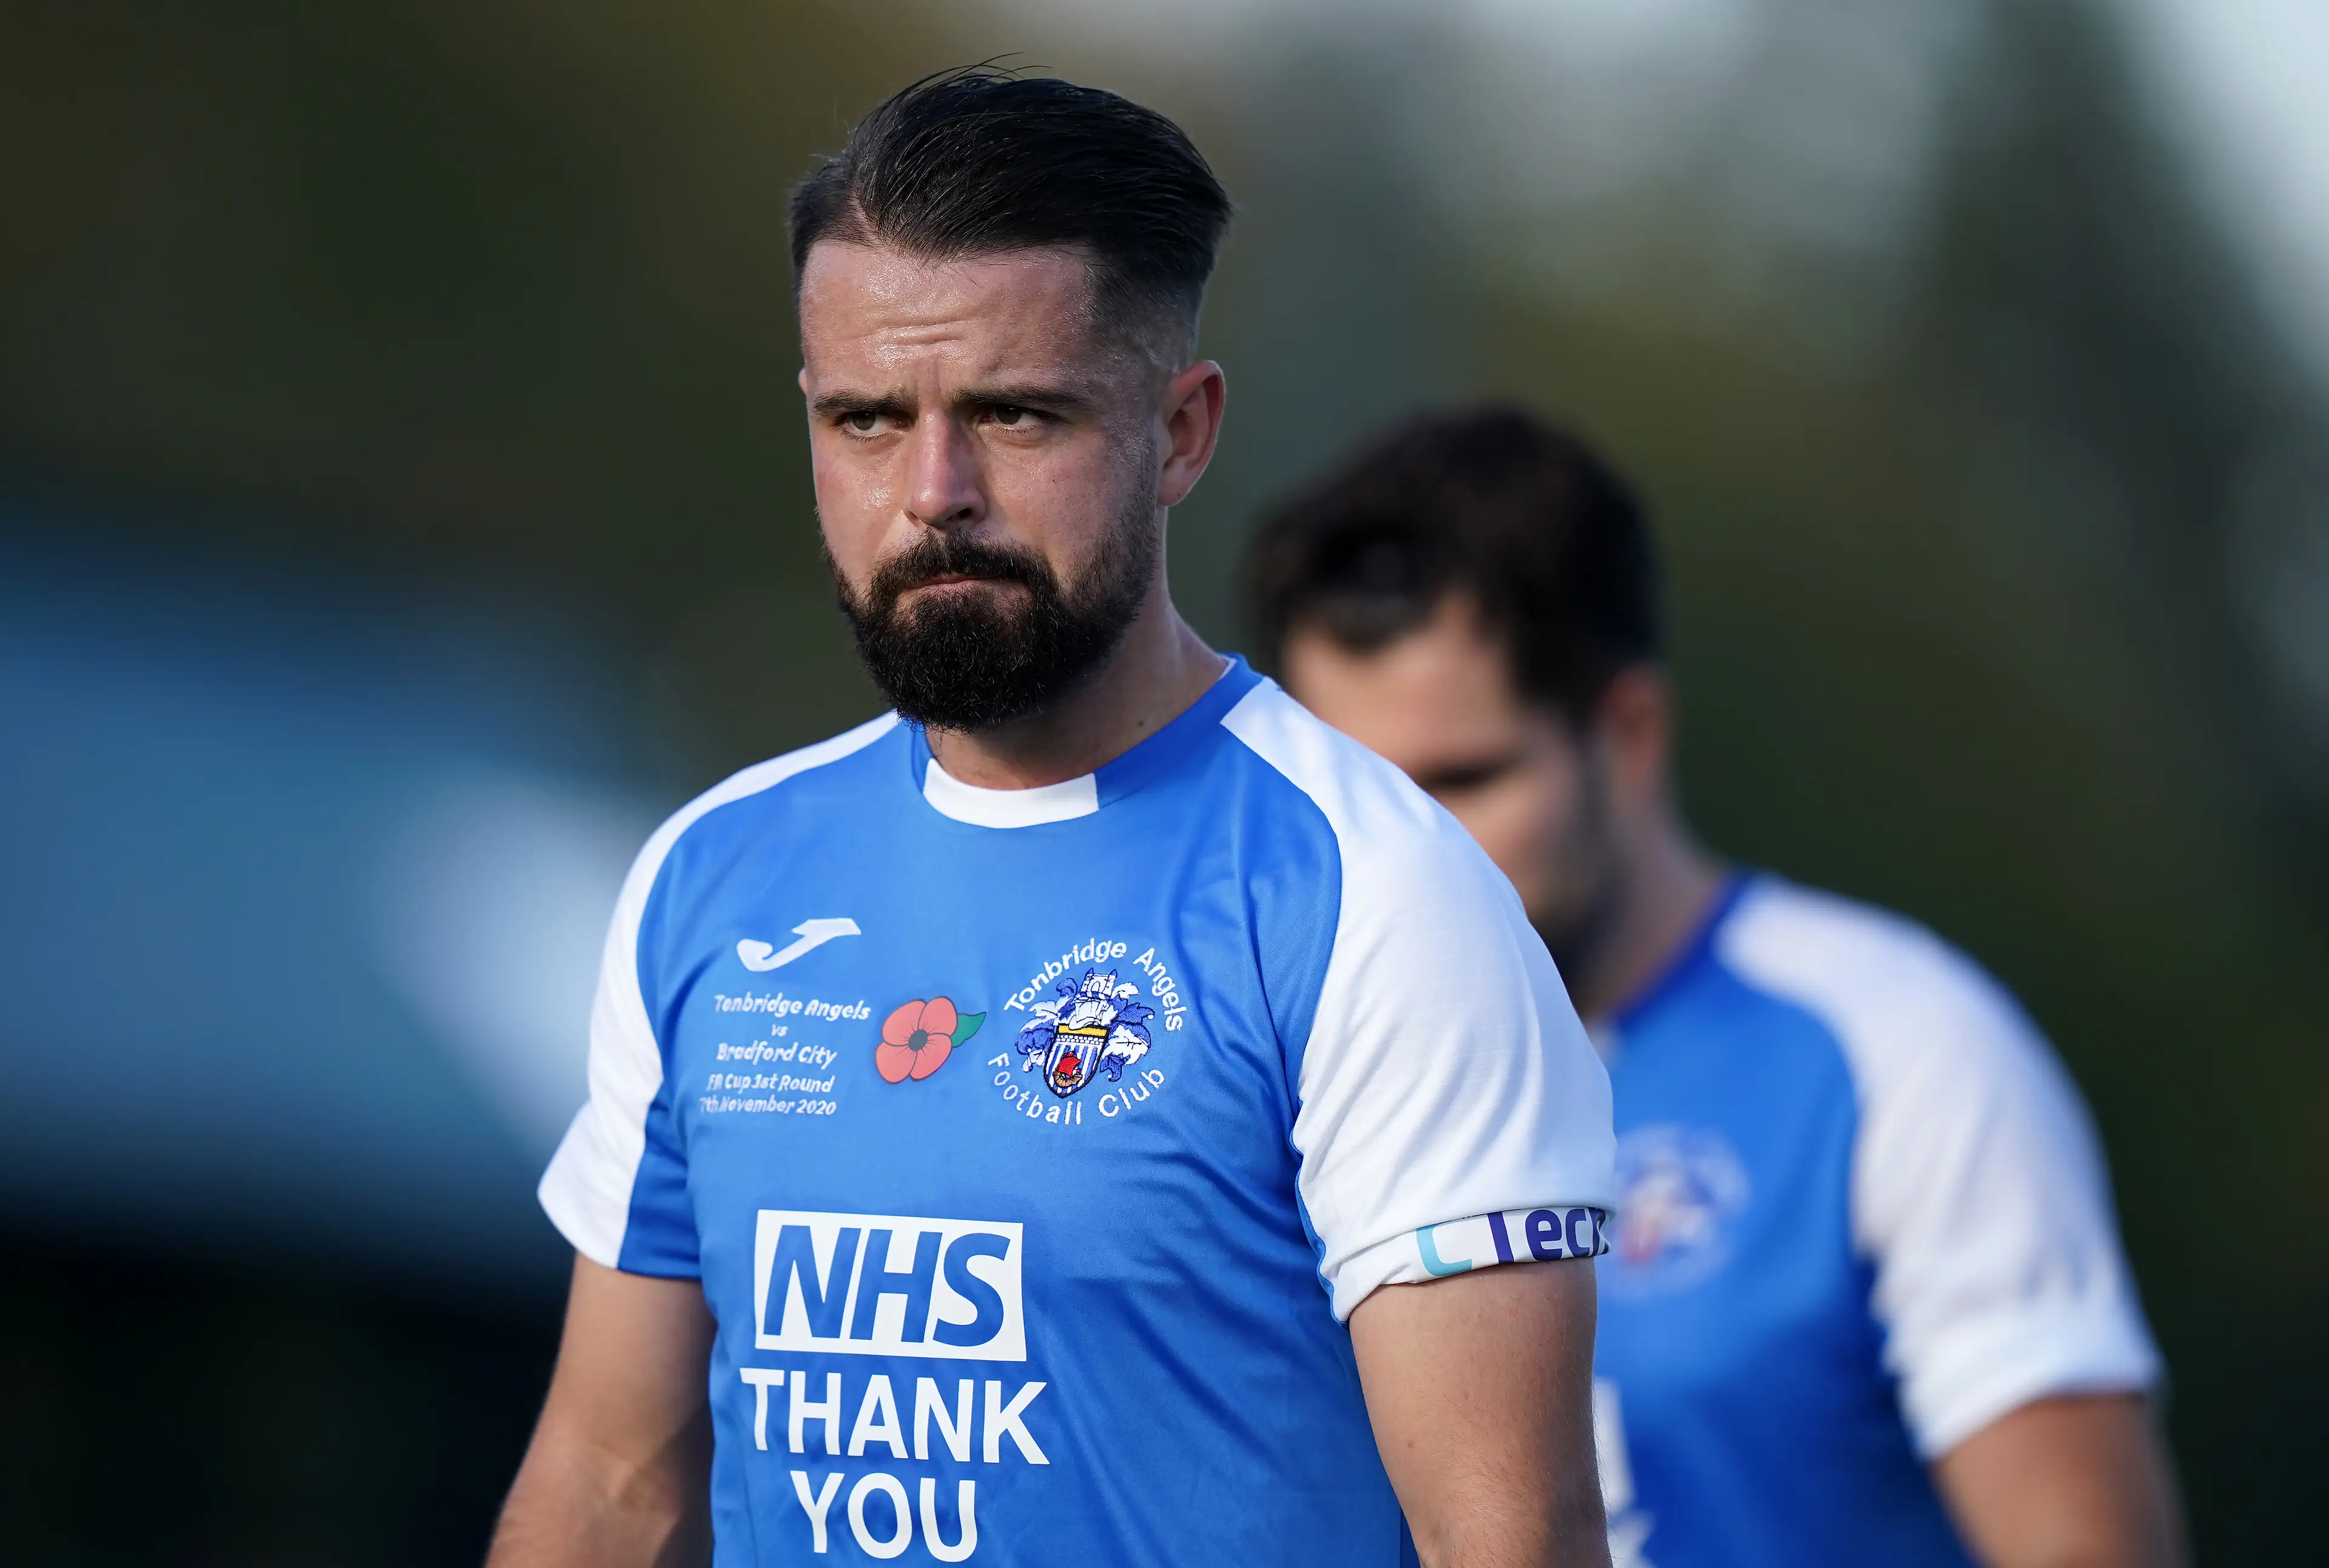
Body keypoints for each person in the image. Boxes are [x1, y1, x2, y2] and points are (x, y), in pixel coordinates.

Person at [488, 75, 1618, 1568]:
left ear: (1183, 431)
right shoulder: (717, 877)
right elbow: (610, 1484)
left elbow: (1509, 1539)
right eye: (867, 420)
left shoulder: (1370, 897)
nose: (934, 493)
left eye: (1016, 415)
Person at [1254, 406, 2186, 1568]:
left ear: (1630, 734)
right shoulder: (1263, 1066)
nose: (1414, 853)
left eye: (1465, 781)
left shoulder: (1901, 1050)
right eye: (1365, 796)